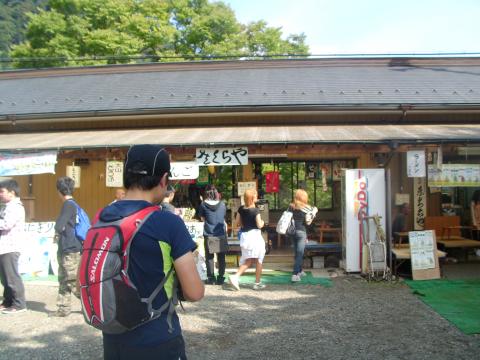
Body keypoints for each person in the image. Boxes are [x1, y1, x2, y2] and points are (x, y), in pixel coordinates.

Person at [99, 144, 204, 360]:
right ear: (164, 180)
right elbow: (194, 292)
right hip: (158, 339)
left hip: (113, 339)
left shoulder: (102, 217)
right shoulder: (168, 223)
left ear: (125, 177)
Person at [52, 176, 82, 317]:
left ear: (59, 191)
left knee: (71, 280)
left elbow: (59, 225)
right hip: (69, 247)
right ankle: (63, 308)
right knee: (64, 279)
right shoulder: (73, 204)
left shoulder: (68, 205)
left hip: (70, 248)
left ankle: (92, 304)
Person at [229, 189, 266, 291]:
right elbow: (259, 225)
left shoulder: (241, 209)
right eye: (256, 195)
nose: (257, 197)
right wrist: (263, 222)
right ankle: (256, 283)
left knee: (248, 260)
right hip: (255, 237)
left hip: (245, 237)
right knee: (259, 259)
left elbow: (236, 223)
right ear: (253, 198)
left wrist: (243, 224)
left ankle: (235, 276)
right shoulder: (256, 210)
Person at [0, 179, 27, 314]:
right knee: (5, 278)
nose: (0, 194)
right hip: (4, 246)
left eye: (2, 191)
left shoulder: (15, 206)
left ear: (12, 192)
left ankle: (19, 304)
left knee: (12, 277)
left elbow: (6, 224)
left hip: (11, 246)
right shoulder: (8, 206)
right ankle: (8, 301)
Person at [197, 185, 227, 285]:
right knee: (221, 256)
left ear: (206, 193)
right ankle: (221, 277)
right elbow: (223, 217)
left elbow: (202, 218)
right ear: (216, 193)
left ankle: (211, 278)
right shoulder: (222, 204)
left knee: (209, 257)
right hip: (220, 233)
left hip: (209, 233)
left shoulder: (203, 205)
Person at [288, 189, 318, 283]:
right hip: (301, 232)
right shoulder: (307, 207)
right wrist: (314, 212)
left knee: (297, 253)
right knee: (300, 253)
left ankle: (300, 271)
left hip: (291, 232)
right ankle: (294, 274)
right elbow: (308, 222)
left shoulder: (291, 206)